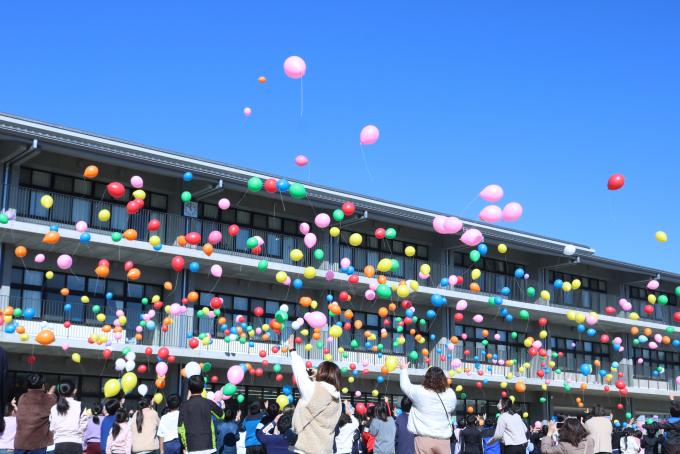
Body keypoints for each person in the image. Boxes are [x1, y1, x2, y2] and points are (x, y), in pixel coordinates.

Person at [287, 335, 342, 454]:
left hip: (305, 448)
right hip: (325, 449)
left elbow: (299, 372)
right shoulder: (338, 398)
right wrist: (316, 375)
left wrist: (292, 350)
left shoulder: (313, 390)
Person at [398, 358, 457, 454]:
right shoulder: (450, 393)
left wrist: (404, 369)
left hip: (423, 439)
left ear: (427, 378)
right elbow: (452, 408)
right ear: (443, 379)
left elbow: (405, 385)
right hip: (444, 440)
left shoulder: (420, 391)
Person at [178, 375, 224, 454]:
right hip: (209, 446)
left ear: (189, 388)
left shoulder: (184, 406)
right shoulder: (209, 403)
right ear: (203, 388)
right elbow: (222, 416)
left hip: (191, 446)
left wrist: (184, 446)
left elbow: (180, 428)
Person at [15, 373, 57, 454]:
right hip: (38, 445)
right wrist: (51, 393)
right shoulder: (48, 399)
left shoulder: (22, 397)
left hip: (20, 443)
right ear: (43, 385)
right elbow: (54, 402)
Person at [49, 381, 85, 454]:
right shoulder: (80, 405)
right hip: (76, 443)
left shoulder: (54, 408)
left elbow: (52, 428)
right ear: (73, 391)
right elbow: (84, 425)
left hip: (59, 443)